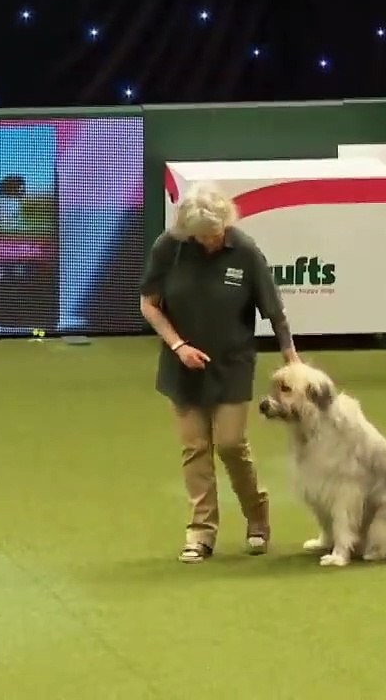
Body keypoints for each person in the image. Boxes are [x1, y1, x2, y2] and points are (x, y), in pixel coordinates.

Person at [139, 182, 300, 564]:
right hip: (183, 366)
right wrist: (178, 346)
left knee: (230, 445)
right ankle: (200, 533)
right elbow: (149, 304)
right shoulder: (169, 247)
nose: (212, 241)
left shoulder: (243, 251)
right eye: (203, 236)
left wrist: (291, 357)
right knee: (195, 449)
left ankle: (257, 517)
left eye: (216, 233)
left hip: (232, 364)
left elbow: (274, 311)